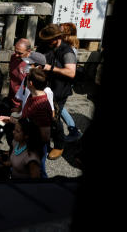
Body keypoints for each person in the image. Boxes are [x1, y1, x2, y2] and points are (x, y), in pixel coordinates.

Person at [38, 24, 80, 160]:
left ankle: (59, 145)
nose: (47, 41)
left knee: (54, 118)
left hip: (59, 90)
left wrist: (51, 68)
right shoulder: (45, 46)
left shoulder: (66, 51)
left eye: (50, 39)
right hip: (44, 87)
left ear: (57, 38)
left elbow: (71, 72)